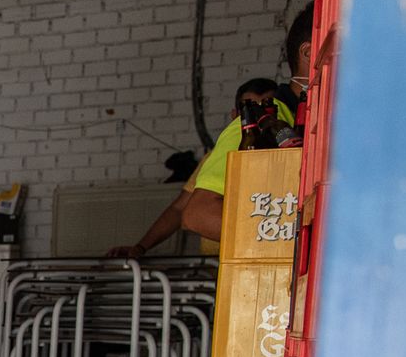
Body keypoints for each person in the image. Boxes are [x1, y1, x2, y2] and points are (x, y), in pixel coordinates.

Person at [107, 78, 281, 259]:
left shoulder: (288, 154)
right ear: (234, 116)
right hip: (218, 264)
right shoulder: (216, 158)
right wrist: (141, 248)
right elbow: (180, 209)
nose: (258, 118)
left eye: (265, 109)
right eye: (249, 110)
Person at [182, 3, 314, 241]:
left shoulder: (317, 123)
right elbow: (198, 214)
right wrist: (295, 239)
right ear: (308, 53)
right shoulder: (259, 124)